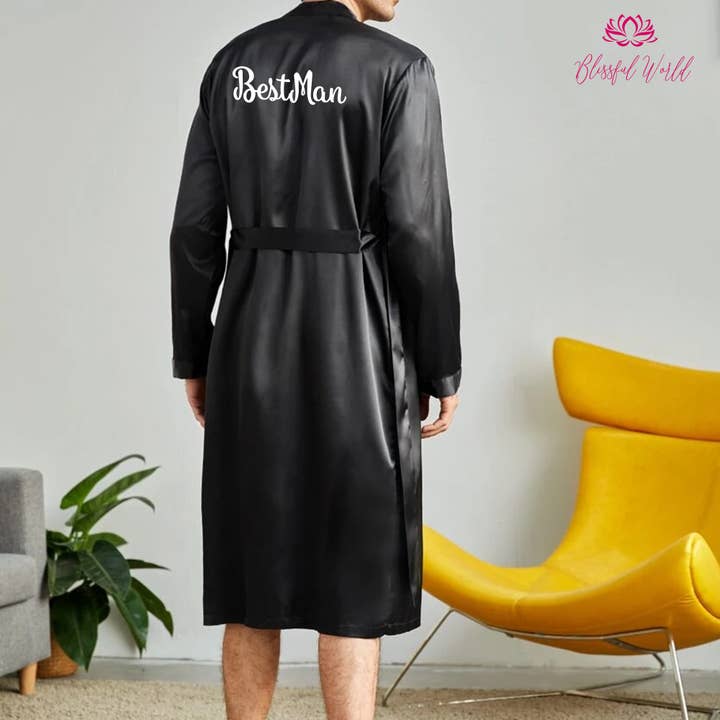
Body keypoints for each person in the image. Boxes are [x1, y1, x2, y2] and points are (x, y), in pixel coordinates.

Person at [168, 0, 462, 717]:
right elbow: (418, 230)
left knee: (251, 575)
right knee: (357, 578)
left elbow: (195, 227)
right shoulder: (398, 69)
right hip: (359, 342)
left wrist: (196, 354)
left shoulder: (234, 63)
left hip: (248, 339)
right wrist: (440, 362)